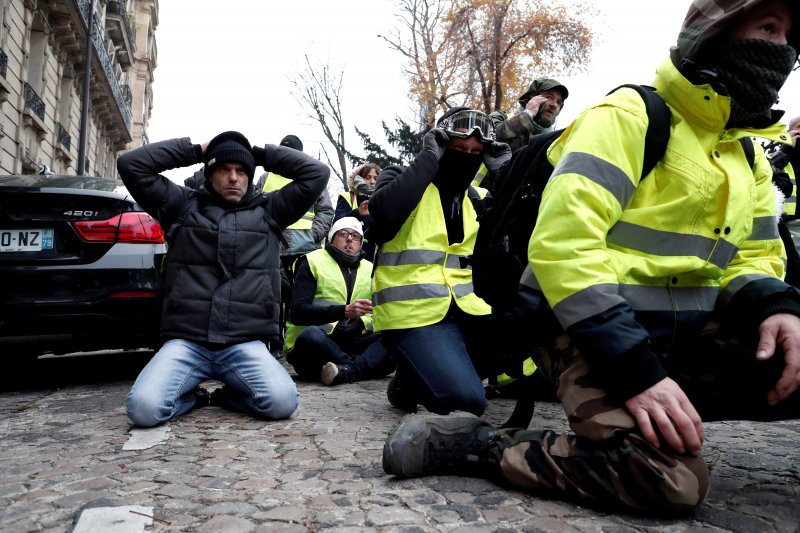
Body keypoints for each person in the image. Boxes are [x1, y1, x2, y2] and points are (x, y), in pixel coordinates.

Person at [383, 0, 800, 516]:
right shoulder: (628, 118)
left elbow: (753, 255)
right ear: (714, 33)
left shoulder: (749, 153)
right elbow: (564, 246)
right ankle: (479, 445)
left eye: (789, 36)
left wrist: (774, 306)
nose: (781, 49)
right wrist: (635, 372)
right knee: (669, 481)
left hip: (684, 334)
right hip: (584, 326)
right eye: (767, 28)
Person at [118, 130, 329, 427]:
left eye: (241, 170)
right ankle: (194, 398)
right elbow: (131, 164)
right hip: (187, 342)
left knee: (282, 402)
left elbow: (317, 173)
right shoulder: (181, 205)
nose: (233, 178)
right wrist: (197, 150)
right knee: (143, 410)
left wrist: (259, 154)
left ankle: (228, 396)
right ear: (209, 173)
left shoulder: (271, 210)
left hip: (245, 343)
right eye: (224, 169)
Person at [368, 107, 511, 416]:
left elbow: (525, 231)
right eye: (459, 148)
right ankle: (416, 375)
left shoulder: (477, 197)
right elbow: (384, 214)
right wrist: (429, 157)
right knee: (467, 402)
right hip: (414, 315)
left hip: (469, 310)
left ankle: (414, 378)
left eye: (475, 152)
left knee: (533, 324)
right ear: (443, 146)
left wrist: (506, 174)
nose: (467, 157)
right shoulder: (401, 177)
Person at [285, 216, 394, 385]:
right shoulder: (312, 262)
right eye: (343, 234)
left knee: (396, 338)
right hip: (318, 346)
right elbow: (298, 312)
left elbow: (380, 312)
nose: (349, 239)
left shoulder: (370, 269)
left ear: (361, 243)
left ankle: (345, 371)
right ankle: (356, 368)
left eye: (355, 236)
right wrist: (344, 311)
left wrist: (361, 322)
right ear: (331, 238)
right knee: (310, 335)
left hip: (352, 342)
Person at [255, 134, 335, 354]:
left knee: (298, 299)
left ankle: (295, 344)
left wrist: (314, 235)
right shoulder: (265, 178)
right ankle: (275, 343)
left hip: (305, 251)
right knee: (270, 298)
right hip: (272, 248)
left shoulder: (312, 177)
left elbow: (326, 211)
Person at [489, 77, 569, 153]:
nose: (554, 105)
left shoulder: (556, 143)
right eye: (548, 97)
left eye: (558, 102)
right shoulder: (500, 117)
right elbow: (491, 137)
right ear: (532, 98)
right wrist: (527, 115)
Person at [335, 163, 380, 262]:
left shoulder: (381, 201)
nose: (372, 182)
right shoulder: (348, 197)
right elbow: (337, 222)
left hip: (369, 257)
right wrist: (358, 213)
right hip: (345, 253)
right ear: (358, 178)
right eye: (368, 177)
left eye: (376, 178)